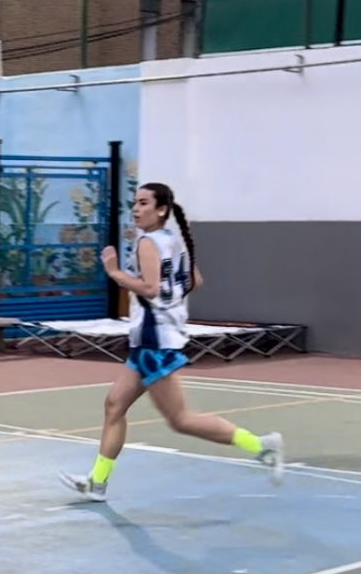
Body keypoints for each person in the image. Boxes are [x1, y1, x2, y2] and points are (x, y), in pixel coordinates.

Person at [61, 182, 284, 501]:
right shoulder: (173, 241)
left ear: (162, 209)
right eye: (135, 203)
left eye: (143, 203)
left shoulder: (147, 243)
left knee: (180, 420)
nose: (136, 209)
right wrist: (170, 303)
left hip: (155, 343)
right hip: (152, 340)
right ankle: (97, 483)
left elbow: (150, 289)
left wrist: (114, 272)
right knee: (114, 405)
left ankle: (261, 446)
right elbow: (195, 281)